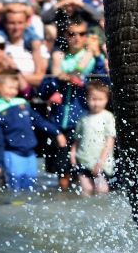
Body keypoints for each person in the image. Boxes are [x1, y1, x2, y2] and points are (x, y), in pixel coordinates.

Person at [39, 16, 108, 190]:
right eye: (72, 34)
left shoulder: (92, 59)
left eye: (81, 34)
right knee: (62, 174)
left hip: (83, 123)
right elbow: (42, 88)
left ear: (86, 36)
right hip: (59, 123)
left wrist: (97, 60)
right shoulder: (59, 57)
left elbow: (103, 86)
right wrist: (55, 86)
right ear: (66, 35)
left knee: (85, 173)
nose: (77, 38)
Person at [0, 70, 66, 191]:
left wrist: (57, 133)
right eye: (9, 87)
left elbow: (39, 121)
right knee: (14, 189)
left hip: (30, 154)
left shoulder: (23, 104)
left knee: (30, 189)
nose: (13, 91)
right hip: (12, 154)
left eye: (15, 88)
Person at [70, 80, 115, 196]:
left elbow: (110, 141)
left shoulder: (108, 117)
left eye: (100, 99)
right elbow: (77, 139)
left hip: (101, 162)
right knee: (86, 190)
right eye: (93, 99)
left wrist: (100, 161)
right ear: (87, 99)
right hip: (83, 159)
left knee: (102, 190)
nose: (96, 103)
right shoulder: (83, 118)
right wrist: (73, 154)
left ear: (107, 100)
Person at [0, 7, 46, 87]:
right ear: (5, 24)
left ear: (26, 23)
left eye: (20, 23)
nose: (16, 27)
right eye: (11, 23)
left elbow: (40, 79)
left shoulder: (36, 46)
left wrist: (16, 75)